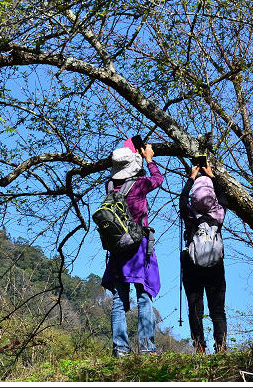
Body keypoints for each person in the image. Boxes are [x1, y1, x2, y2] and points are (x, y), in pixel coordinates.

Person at [101, 141, 163, 357]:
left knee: (119, 299)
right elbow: (158, 179)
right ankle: (147, 348)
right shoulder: (139, 185)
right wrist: (148, 159)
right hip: (138, 248)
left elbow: (123, 173)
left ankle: (120, 350)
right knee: (144, 295)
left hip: (118, 250)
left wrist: (132, 154)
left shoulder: (110, 186)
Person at [178, 162, 228, 354]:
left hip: (192, 266)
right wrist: (212, 175)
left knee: (195, 307)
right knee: (217, 309)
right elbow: (224, 198)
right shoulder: (219, 213)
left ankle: (199, 346)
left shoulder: (189, 213)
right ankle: (221, 346)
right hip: (216, 265)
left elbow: (183, 199)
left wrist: (192, 177)